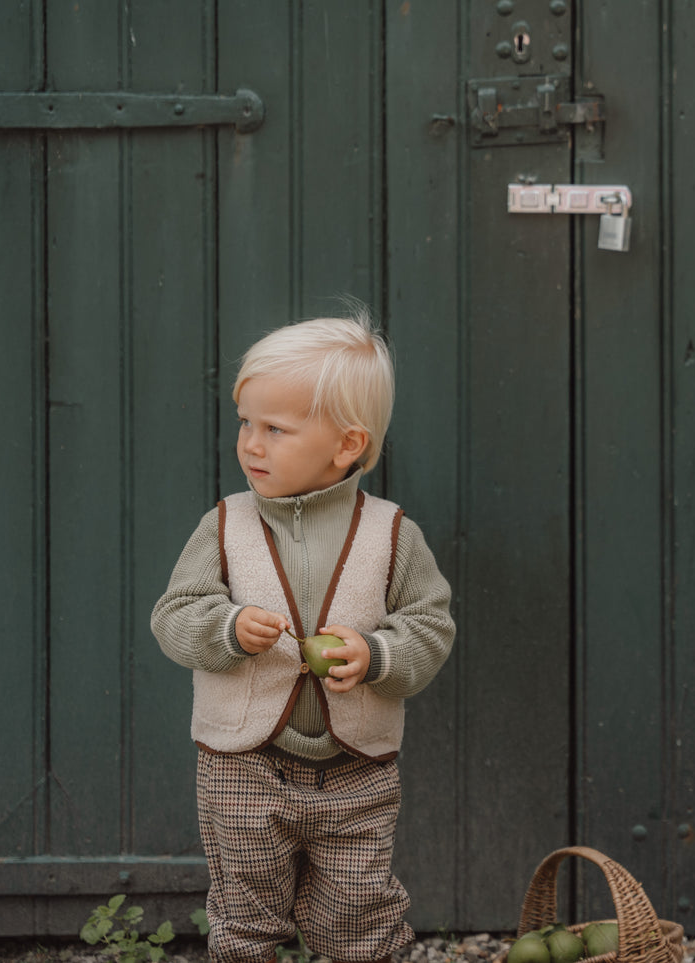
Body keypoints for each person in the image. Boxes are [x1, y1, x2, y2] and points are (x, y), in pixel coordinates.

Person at [152, 307, 455, 963]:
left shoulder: (392, 533)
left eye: (275, 428)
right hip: (243, 764)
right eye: (245, 423)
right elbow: (175, 614)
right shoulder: (225, 525)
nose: (250, 443)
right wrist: (228, 627)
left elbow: (429, 627)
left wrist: (377, 653)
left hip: (357, 770)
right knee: (246, 917)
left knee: (361, 921)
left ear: (346, 445)